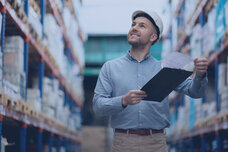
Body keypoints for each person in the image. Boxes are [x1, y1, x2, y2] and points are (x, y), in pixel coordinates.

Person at [93, 10, 208, 152]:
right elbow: (98, 106)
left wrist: (200, 75)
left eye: (142, 26)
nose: (134, 28)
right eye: (133, 24)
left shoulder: (165, 69)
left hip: (156, 143)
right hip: (123, 143)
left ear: (153, 37)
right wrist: (123, 100)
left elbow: (195, 92)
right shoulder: (110, 68)